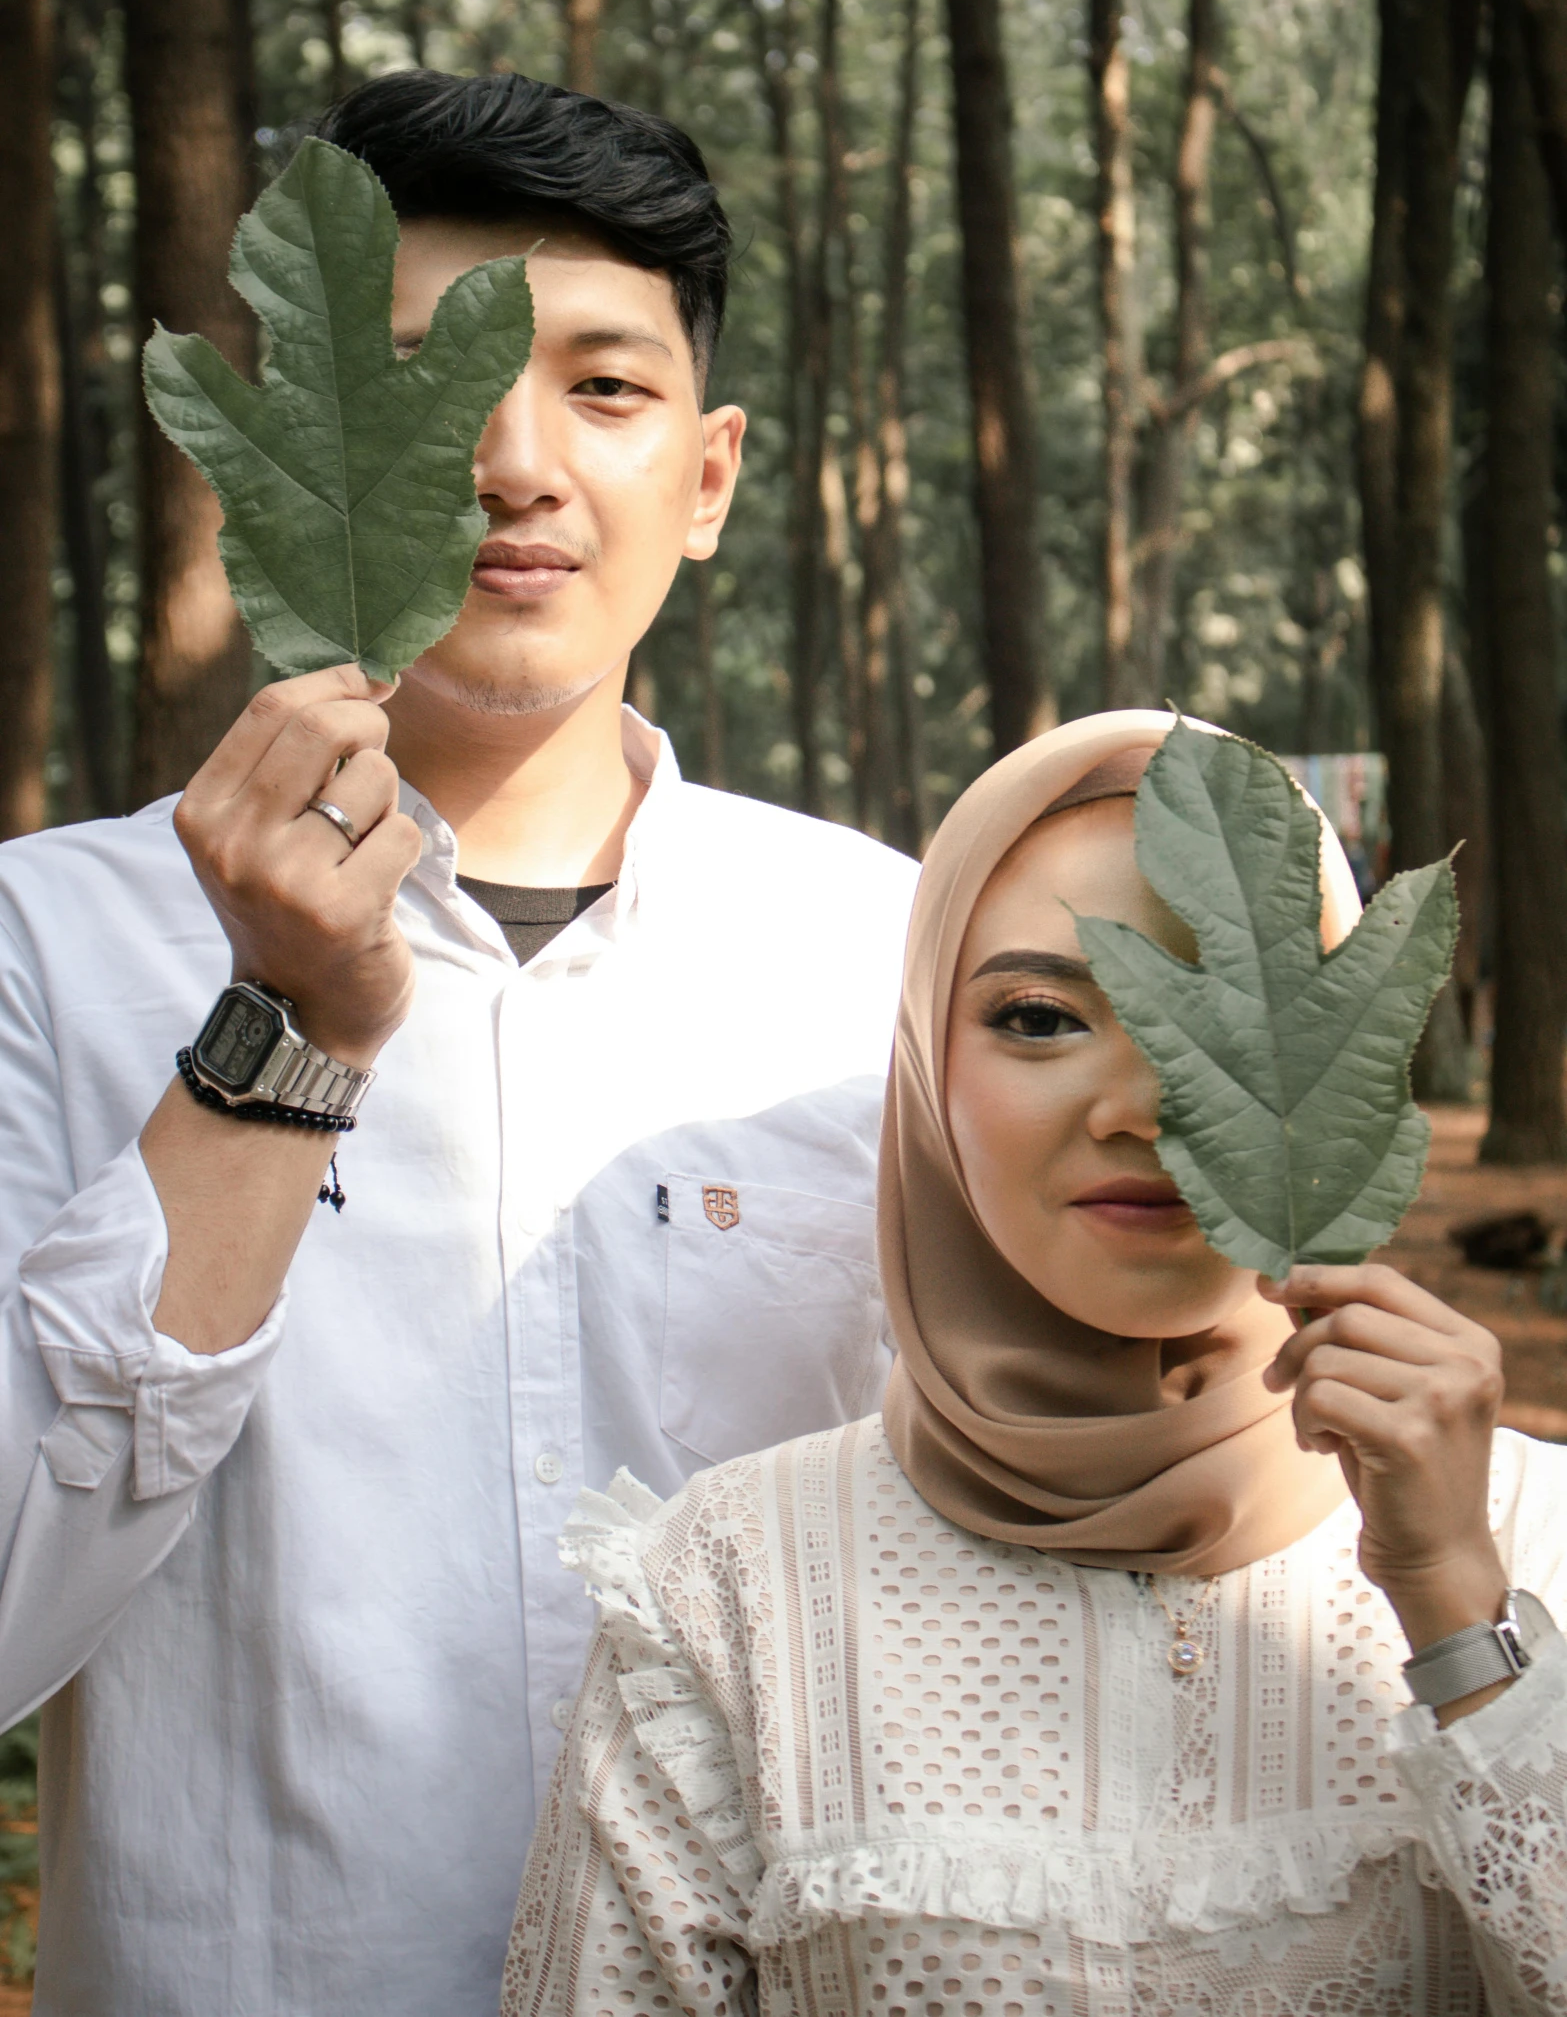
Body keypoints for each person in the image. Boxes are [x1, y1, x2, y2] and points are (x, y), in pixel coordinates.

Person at [0, 70, 919, 2017]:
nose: (514, 459)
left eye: (603, 384)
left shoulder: (885, 951)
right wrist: (278, 1038)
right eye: (424, 386)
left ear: (714, 468)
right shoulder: (47, 951)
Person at [506, 708, 1567, 2017]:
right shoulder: (731, 1590)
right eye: (1038, 1017)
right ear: (921, 1070)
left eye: (1231, 1030)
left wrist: (1457, 1604)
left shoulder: (1532, 1535)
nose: (1137, 1106)